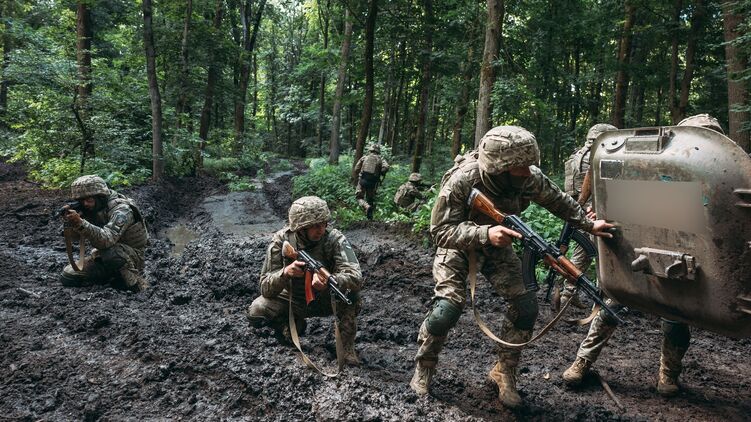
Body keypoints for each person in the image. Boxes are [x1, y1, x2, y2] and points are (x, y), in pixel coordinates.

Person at [409, 125, 615, 408]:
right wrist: (485, 233)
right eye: (520, 168)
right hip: (457, 243)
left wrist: (589, 224)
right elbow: (440, 231)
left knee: (526, 306)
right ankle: (424, 368)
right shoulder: (463, 181)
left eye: (529, 165)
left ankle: (504, 372)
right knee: (447, 309)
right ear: (498, 168)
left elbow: (559, 201)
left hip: (498, 244)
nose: (527, 173)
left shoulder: (529, 178)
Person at [562, 114, 725, 397]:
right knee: (612, 308)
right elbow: (623, 206)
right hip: (642, 257)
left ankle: (668, 375)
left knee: (676, 320)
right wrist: (598, 214)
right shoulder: (656, 172)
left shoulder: (720, 183)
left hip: (682, 265)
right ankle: (582, 362)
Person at [246, 196, 362, 365]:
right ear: (300, 227)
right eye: (315, 226)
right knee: (257, 310)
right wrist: (285, 273)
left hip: (325, 299)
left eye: (324, 224)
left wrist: (331, 280)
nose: (321, 230)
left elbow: (355, 276)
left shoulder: (335, 239)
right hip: (293, 299)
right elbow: (265, 286)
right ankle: (290, 327)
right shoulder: (282, 240)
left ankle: (346, 348)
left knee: (352, 296)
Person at [560, 123, 618, 309]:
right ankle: (603, 300)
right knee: (604, 256)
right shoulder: (602, 156)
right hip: (595, 212)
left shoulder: (576, 156)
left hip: (577, 211)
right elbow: (611, 187)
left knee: (581, 253)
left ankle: (568, 293)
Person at [60, 175, 149, 292]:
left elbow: (106, 240)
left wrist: (81, 223)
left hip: (132, 256)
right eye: (81, 201)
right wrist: (72, 222)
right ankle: (113, 277)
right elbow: (75, 238)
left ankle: (136, 284)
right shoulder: (94, 208)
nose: (85, 204)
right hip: (104, 255)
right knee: (68, 276)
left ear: (101, 197)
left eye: (89, 200)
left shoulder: (122, 210)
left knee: (110, 252)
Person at [354, 144, 389, 220]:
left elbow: (356, 169)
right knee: (370, 199)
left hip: (362, 180)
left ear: (370, 150)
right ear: (378, 151)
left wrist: (359, 175)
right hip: (373, 182)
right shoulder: (381, 159)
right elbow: (386, 167)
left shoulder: (364, 157)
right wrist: (380, 172)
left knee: (359, 197)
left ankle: (366, 207)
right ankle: (370, 218)